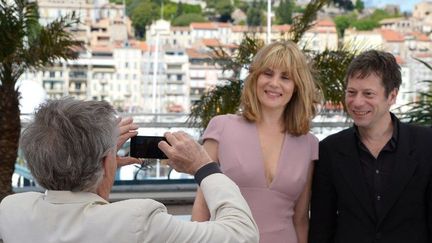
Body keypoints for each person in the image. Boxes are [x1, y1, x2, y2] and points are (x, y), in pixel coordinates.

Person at [0, 98, 259, 243]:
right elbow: (242, 234)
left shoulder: (11, 211)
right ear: (104, 163)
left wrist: (102, 165)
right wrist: (204, 167)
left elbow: (77, 213)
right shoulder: (138, 221)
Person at [191, 41, 319, 243]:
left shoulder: (309, 144)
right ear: (255, 77)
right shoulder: (221, 128)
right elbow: (202, 207)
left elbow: (301, 218)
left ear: (296, 87)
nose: (274, 83)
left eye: (285, 77)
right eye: (268, 73)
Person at [309, 50, 432, 243]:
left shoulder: (426, 144)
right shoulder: (330, 150)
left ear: (392, 96)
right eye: (351, 92)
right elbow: (321, 227)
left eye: (368, 94)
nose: (357, 102)